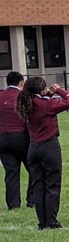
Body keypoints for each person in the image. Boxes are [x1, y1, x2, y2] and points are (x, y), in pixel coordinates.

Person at [15, 77, 69, 229]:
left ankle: (42, 221)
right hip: (49, 146)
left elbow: (41, 105)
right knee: (52, 185)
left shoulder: (27, 103)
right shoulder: (46, 104)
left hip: (33, 147)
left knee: (38, 185)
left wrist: (47, 95)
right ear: (41, 90)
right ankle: (52, 221)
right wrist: (58, 90)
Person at [0, 71, 33, 210]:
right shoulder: (23, 96)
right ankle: (32, 200)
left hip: (3, 137)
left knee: (11, 172)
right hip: (21, 136)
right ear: (21, 82)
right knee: (33, 169)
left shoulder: (1, 95)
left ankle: (13, 204)